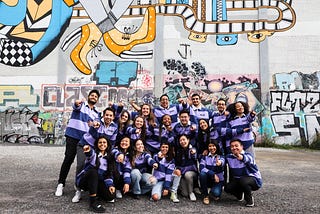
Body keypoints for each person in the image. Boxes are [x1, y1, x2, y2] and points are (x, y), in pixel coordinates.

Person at [55, 89, 100, 197]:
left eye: (95, 96)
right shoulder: (81, 105)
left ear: (97, 100)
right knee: (68, 159)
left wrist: (96, 125)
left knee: (81, 163)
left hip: (84, 140)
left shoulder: (97, 113)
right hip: (73, 136)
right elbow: (75, 106)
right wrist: (76, 103)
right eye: (92, 95)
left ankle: (78, 186)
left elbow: (96, 125)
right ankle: (61, 184)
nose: (93, 97)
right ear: (88, 96)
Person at [72, 107, 118, 203]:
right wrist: (94, 124)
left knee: (102, 167)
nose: (108, 117)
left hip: (99, 148)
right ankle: (78, 190)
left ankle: (98, 188)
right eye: (106, 115)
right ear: (103, 115)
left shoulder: (114, 127)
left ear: (113, 117)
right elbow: (95, 122)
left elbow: (111, 143)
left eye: (110, 115)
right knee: (81, 165)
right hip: (86, 145)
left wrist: (112, 153)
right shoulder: (97, 122)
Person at [75, 136, 117, 212]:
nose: (102, 144)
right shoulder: (94, 154)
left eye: (104, 142)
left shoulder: (109, 158)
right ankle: (93, 202)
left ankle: (96, 193)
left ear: (107, 144)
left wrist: (110, 185)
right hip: (84, 181)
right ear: (96, 144)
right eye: (100, 142)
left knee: (111, 196)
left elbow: (108, 174)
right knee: (93, 172)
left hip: (98, 181)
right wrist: (88, 150)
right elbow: (90, 154)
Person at [224, 139, 262, 207]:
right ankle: (239, 194)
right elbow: (223, 160)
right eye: (232, 146)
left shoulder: (248, 155)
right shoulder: (229, 157)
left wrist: (242, 158)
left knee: (243, 181)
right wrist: (220, 162)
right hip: (239, 180)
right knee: (227, 188)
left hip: (254, 180)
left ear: (242, 146)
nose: (234, 148)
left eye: (236, 146)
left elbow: (248, 159)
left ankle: (249, 200)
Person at [199, 139, 225, 205]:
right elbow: (201, 168)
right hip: (209, 178)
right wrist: (213, 174)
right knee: (202, 174)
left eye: (213, 146)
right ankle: (205, 195)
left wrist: (220, 163)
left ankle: (214, 190)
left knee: (216, 193)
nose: (212, 148)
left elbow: (222, 162)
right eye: (210, 146)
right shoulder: (205, 157)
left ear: (217, 146)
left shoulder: (221, 156)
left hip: (218, 180)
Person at [174, 135, 198, 201]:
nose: (182, 142)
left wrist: (193, 153)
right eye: (180, 140)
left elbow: (195, 156)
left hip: (191, 173)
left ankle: (191, 192)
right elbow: (178, 164)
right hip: (183, 174)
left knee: (188, 175)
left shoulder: (192, 149)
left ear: (188, 140)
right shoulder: (178, 151)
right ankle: (186, 189)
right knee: (184, 194)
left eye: (184, 139)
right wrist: (178, 169)